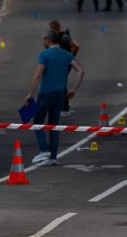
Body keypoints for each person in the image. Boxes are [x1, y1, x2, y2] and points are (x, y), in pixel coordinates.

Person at [24, 30, 84, 165]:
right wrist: (73, 90)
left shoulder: (44, 54)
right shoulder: (67, 55)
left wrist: (30, 94)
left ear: (47, 40)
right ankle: (53, 158)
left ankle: (44, 150)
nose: (42, 42)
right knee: (54, 125)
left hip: (46, 93)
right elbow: (81, 70)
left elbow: (38, 75)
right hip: (60, 95)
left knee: (38, 120)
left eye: (43, 40)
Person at [49, 20, 80, 116]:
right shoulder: (55, 37)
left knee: (60, 83)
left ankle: (65, 108)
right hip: (58, 64)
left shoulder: (64, 37)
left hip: (64, 64)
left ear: (57, 28)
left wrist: (70, 58)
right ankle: (63, 105)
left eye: (53, 29)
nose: (51, 31)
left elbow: (76, 46)